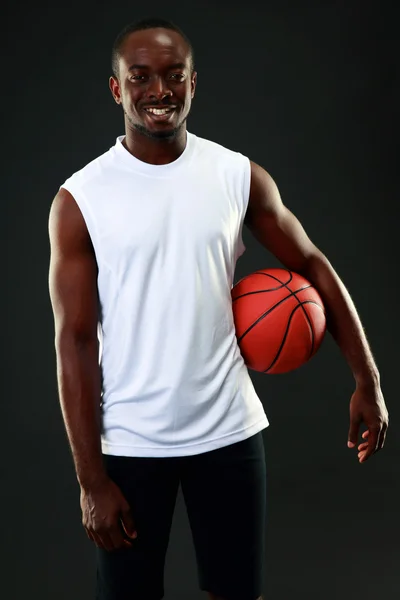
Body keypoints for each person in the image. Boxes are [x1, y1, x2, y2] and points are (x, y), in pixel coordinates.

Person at [48, 17, 388, 600]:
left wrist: (367, 378)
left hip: (228, 432)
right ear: (117, 89)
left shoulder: (235, 175)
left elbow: (312, 265)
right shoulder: (81, 198)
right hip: (130, 442)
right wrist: (90, 480)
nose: (160, 91)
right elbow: (74, 342)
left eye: (174, 76)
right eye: (142, 78)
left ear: (193, 83)